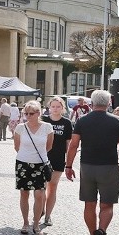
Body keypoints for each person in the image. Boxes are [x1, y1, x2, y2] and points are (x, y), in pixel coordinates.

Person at [64, 89, 119, 235]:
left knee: (89, 203)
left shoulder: (83, 121)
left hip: (87, 167)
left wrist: (69, 166)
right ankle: (102, 231)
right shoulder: (118, 121)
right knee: (107, 205)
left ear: (91, 104)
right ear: (108, 104)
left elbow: (73, 145)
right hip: (110, 167)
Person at [13, 100, 54, 235]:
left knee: (40, 194)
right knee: (24, 193)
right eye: (26, 113)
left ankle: (36, 224)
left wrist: (37, 156)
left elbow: (49, 146)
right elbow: (16, 146)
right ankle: (25, 222)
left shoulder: (47, 127)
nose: (28, 116)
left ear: (38, 113)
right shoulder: (20, 127)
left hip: (40, 164)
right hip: (23, 163)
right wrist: (27, 155)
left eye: (31, 113)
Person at [41, 96, 73, 226]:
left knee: (52, 187)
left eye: (58, 107)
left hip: (58, 158)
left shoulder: (66, 123)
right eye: (53, 106)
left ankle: (48, 215)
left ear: (62, 108)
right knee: (41, 187)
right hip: (43, 158)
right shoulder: (43, 120)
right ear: (49, 107)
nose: (55, 109)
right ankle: (40, 210)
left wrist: (68, 162)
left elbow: (68, 143)